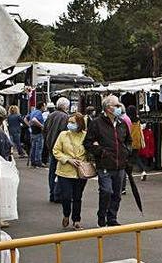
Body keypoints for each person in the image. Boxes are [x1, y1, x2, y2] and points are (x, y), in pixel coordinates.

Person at [84, 95, 131, 227]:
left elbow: (128, 140)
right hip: (104, 164)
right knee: (106, 191)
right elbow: (87, 143)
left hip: (120, 165)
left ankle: (112, 218)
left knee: (117, 194)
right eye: (116, 105)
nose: (119, 108)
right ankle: (102, 215)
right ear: (108, 108)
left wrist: (126, 152)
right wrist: (101, 152)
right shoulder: (97, 123)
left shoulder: (122, 123)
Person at [53, 112, 89, 230]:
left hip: (80, 171)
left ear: (80, 124)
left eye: (72, 122)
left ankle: (76, 220)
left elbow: (90, 151)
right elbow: (56, 151)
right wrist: (68, 159)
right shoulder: (63, 135)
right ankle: (66, 214)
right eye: (69, 122)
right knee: (66, 196)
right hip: (65, 171)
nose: (70, 124)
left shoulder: (86, 136)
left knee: (78, 197)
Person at [43, 97, 71, 202]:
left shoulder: (50, 115)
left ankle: (52, 193)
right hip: (60, 148)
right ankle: (57, 194)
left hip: (51, 146)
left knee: (52, 171)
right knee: (60, 172)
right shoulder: (65, 117)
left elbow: (44, 130)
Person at [126, 105, 148, 180]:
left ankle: (129, 174)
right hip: (137, 140)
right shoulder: (138, 119)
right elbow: (143, 126)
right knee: (135, 157)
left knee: (128, 158)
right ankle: (143, 170)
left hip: (130, 141)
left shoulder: (127, 120)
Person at [27, 103, 47, 168]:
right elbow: (34, 120)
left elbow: (25, 119)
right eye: (44, 106)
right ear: (41, 107)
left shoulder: (33, 112)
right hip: (38, 132)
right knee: (38, 148)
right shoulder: (39, 113)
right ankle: (38, 162)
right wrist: (42, 126)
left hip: (33, 132)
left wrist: (29, 125)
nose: (45, 107)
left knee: (33, 148)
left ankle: (33, 162)